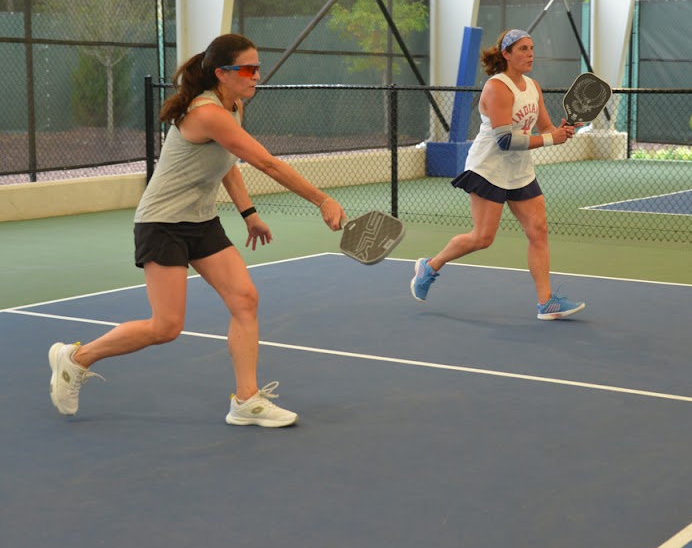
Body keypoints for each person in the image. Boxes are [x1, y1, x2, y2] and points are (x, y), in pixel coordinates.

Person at [48, 33, 345, 427]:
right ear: (222, 73)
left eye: (259, 67)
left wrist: (249, 213)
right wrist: (322, 199)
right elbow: (266, 163)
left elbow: (227, 160)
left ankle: (246, 400)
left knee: (244, 299)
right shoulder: (207, 113)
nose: (258, 75)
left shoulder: (233, 104)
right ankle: (75, 359)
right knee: (165, 327)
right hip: (163, 224)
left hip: (201, 222)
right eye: (249, 69)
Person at [410, 28, 586, 320]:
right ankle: (430, 266)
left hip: (520, 171)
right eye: (523, 49)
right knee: (482, 238)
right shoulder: (497, 88)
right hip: (488, 169)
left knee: (538, 231)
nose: (530, 54)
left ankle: (546, 303)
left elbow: (544, 128)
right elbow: (505, 140)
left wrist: (558, 131)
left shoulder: (533, 86)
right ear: (506, 54)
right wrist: (548, 140)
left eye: (532, 48)